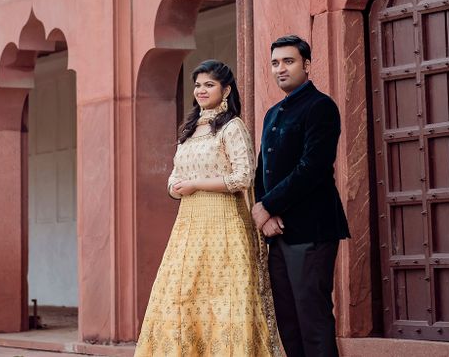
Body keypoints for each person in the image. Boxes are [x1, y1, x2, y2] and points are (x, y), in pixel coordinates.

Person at [136, 59, 279, 356]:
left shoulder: (232, 127)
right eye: (198, 85)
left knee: (223, 298)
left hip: (224, 224)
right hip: (188, 226)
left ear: (225, 90)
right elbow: (175, 174)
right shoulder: (189, 129)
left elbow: (243, 176)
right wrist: (175, 187)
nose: (201, 90)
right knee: (180, 296)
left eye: (209, 85)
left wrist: (196, 183)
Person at [251, 35, 350, 357]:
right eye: (275, 63)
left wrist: (267, 205)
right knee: (288, 322)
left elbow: (313, 166)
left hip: (312, 229)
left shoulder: (320, 106)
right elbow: (262, 169)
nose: (281, 69)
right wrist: (264, 213)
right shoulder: (273, 113)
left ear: (307, 65)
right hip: (278, 232)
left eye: (289, 61)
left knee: (312, 318)